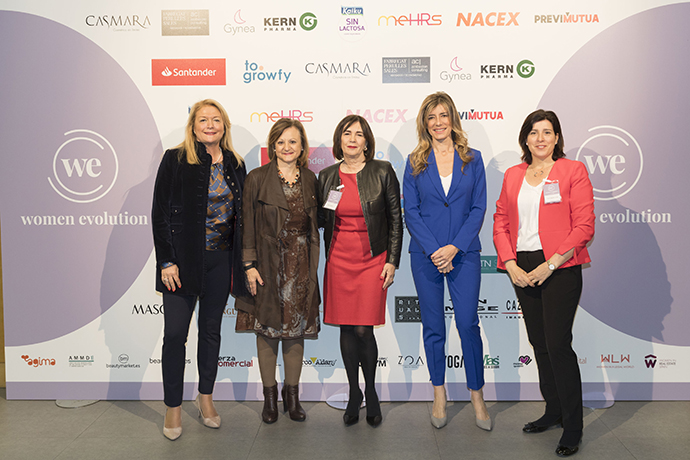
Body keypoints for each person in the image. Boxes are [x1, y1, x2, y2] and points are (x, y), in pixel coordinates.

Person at [493, 109, 594, 457]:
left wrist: (550, 265)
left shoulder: (572, 171)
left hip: (560, 267)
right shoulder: (513, 174)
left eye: (547, 132)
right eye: (534, 132)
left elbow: (584, 227)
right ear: (525, 138)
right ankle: (553, 411)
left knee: (558, 343)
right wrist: (509, 263)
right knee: (538, 342)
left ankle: (573, 425)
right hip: (522, 266)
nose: (540, 138)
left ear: (556, 138)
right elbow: (501, 221)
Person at [151, 99, 248, 440]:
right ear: (192, 126)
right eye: (203, 119)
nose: (210, 125)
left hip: (220, 261)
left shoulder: (236, 163)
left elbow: (243, 218)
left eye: (216, 120)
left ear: (224, 126)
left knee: (210, 332)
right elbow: (159, 214)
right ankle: (173, 407)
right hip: (180, 263)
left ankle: (205, 398)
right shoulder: (175, 160)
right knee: (175, 335)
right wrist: (166, 261)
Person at [403, 91, 492, 431]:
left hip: (464, 254)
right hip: (426, 256)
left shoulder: (473, 158)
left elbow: (478, 208)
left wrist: (454, 247)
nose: (438, 123)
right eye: (431, 117)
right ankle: (439, 393)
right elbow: (410, 211)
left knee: (468, 324)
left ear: (453, 119)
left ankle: (477, 395)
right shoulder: (414, 161)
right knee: (433, 326)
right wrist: (435, 250)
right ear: (424, 124)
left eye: (443, 115)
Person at [318, 114, 403, 427]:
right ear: (339, 140)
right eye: (346, 134)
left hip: (373, 260)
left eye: (358, 134)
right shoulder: (326, 176)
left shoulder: (382, 171)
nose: (352, 139)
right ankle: (354, 394)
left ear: (367, 141)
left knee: (363, 329)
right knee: (345, 329)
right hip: (338, 260)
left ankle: (371, 391)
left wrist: (392, 260)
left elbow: (396, 218)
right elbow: (318, 219)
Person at [235, 118, 321, 424]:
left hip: (301, 267)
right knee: (268, 332)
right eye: (281, 141)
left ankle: (292, 397)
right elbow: (246, 226)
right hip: (268, 267)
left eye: (293, 142)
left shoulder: (311, 179)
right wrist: (249, 265)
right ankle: (269, 398)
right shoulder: (256, 178)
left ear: (302, 147)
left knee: (295, 333)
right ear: (273, 146)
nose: (287, 147)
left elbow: (320, 222)